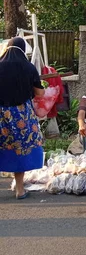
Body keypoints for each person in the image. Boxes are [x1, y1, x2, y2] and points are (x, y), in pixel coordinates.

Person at [0, 37, 45, 199]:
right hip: (21, 114)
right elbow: (39, 93)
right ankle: (20, 190)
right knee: (20, 147)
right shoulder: (28, 67)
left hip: (0, 114)